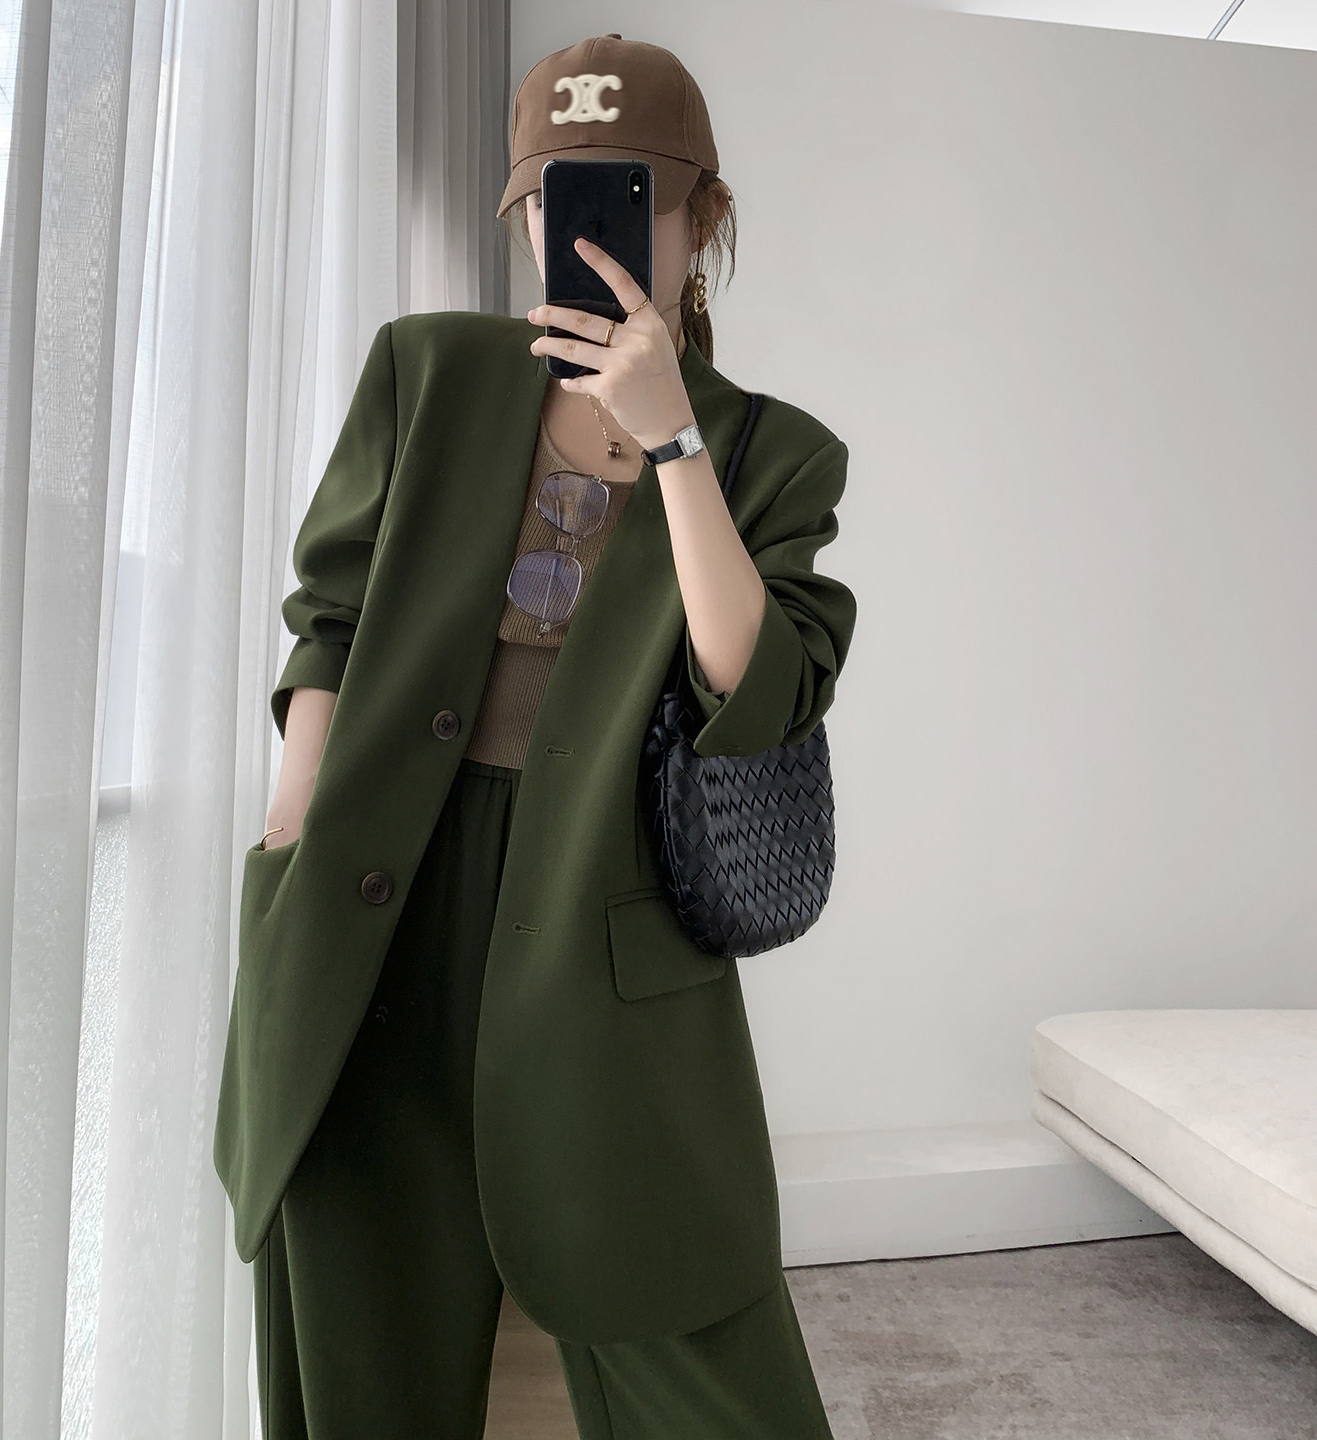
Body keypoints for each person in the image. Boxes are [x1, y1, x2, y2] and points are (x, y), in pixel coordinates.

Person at [213, 31, 857, 1440]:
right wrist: (292, 821)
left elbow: (758, 690)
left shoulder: (773, 452)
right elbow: (332, 610)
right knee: (361, 1351)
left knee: (702, 1345)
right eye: (559, 204)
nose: (597, 238)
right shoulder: (428, 372)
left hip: (600, 921)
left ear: (702, 222)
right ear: (521, 219)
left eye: (636, 201)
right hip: (377, 905)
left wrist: (673, 438)